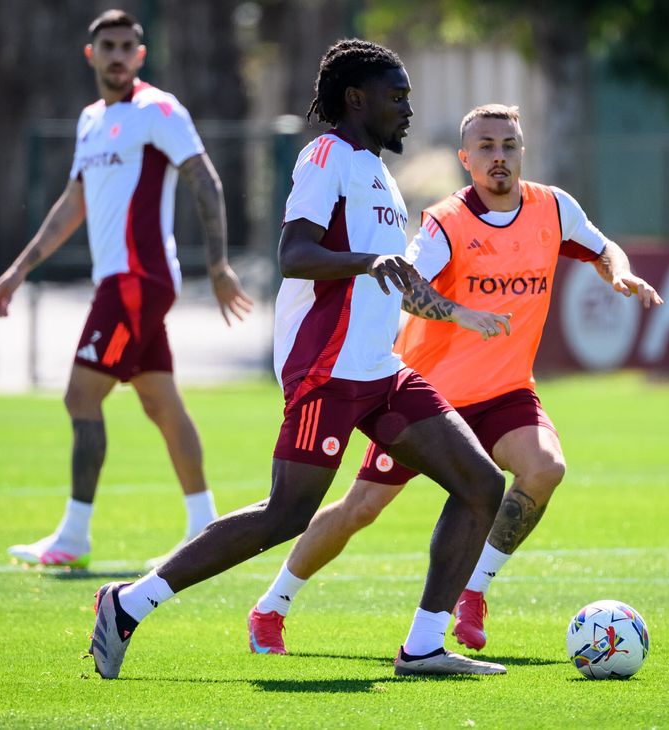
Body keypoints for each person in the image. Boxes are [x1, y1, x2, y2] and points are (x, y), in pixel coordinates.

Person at [89, 39, 521, 680]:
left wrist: (445, 309)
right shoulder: (327, 157)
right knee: (287, 513)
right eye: (396, 96)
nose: (407, 109)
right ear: (356, 98)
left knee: (482, 484)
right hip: (326, 367)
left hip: (377, 367)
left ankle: (424, 646)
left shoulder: (376, 171)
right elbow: (296, 253)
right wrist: (368, 262)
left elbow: (390, 276)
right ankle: (127, 603)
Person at [246, 104, 663, 655]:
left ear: (521, 152)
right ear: (466, 159)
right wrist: (456, 312)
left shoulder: (553, 208)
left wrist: (621, 270)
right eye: (486, 146)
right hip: (431, 396)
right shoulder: (447, 221)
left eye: (509, 145)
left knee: (545, 469)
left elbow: (601, 245)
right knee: (360, 509)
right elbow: (407, 280)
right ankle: (271, 607)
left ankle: (473, 590)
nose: (499, 156)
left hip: (508, 390)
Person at [0, 10, 253, 569]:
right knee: (161, 402)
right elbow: (73, 204)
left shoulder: (158, 109)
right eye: (107, 45)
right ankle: (203, 524)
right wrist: (19, 270)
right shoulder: (90, 120)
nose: (116, 54)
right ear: (91, 55)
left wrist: (219, 264)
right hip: (124, 283)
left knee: (79, 397)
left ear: (141, 55)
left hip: (139, 280)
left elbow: (205, 179)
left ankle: (74, 536)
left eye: (126, 46)